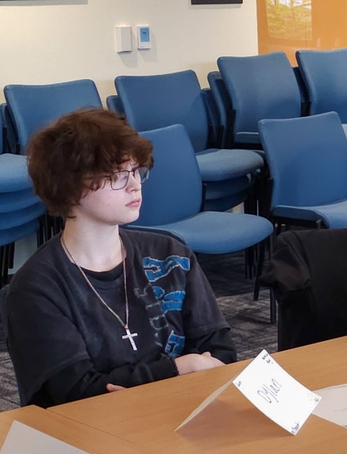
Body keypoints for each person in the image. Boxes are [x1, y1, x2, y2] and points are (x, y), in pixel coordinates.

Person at [5, 109, 236, 408]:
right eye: (116, 176)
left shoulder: (171, 254)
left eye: (137, 171)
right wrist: (180, 367)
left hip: (188, 416)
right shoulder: (37, 288)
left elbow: (221, 355)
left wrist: (136, 382)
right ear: (71, 187)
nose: (134, 185)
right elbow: (79, 393)